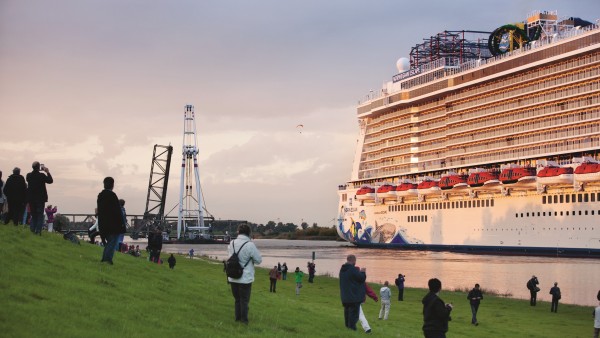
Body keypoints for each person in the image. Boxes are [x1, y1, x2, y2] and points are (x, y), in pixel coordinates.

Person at [227, 223, 262, 324]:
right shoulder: (250, 245)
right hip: (245, 277)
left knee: (237, 299)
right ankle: (244, 321)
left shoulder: (232, 243)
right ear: (249, 233)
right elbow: (258, 260)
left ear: (238, 232)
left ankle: (237, 318)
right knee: (244, 300)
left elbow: (230, 256)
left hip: (233, 275)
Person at [97, 177, 125, 265]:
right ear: (112, 185)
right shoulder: (113, 196)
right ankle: (107, 260)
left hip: (104, 225)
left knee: (109, 242)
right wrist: (122, 225)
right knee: (112, 243)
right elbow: (117, 212)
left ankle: (105, 258)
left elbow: (100, 212)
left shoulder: (100, 196)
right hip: (114, 226)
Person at [339, 254, 366, 331]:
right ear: (354, 261)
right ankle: (352, 329)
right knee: (354, 315)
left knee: (347, 313)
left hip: (345, 296)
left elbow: (352, 279)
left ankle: (347, 328)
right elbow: (361, 278)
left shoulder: (342, 269)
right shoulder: (352, 269)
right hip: (353, 297)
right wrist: (363, 272)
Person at [26, 162, 53, 234]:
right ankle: (38, 231)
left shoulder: (28, 175)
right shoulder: (42, 175)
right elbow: (50, 181)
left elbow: (29, 180)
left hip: (31, 198)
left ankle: (32, 229)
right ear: (39, 167)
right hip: (40, 199)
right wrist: (47, 172)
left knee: (33, 215)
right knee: (40, 215)